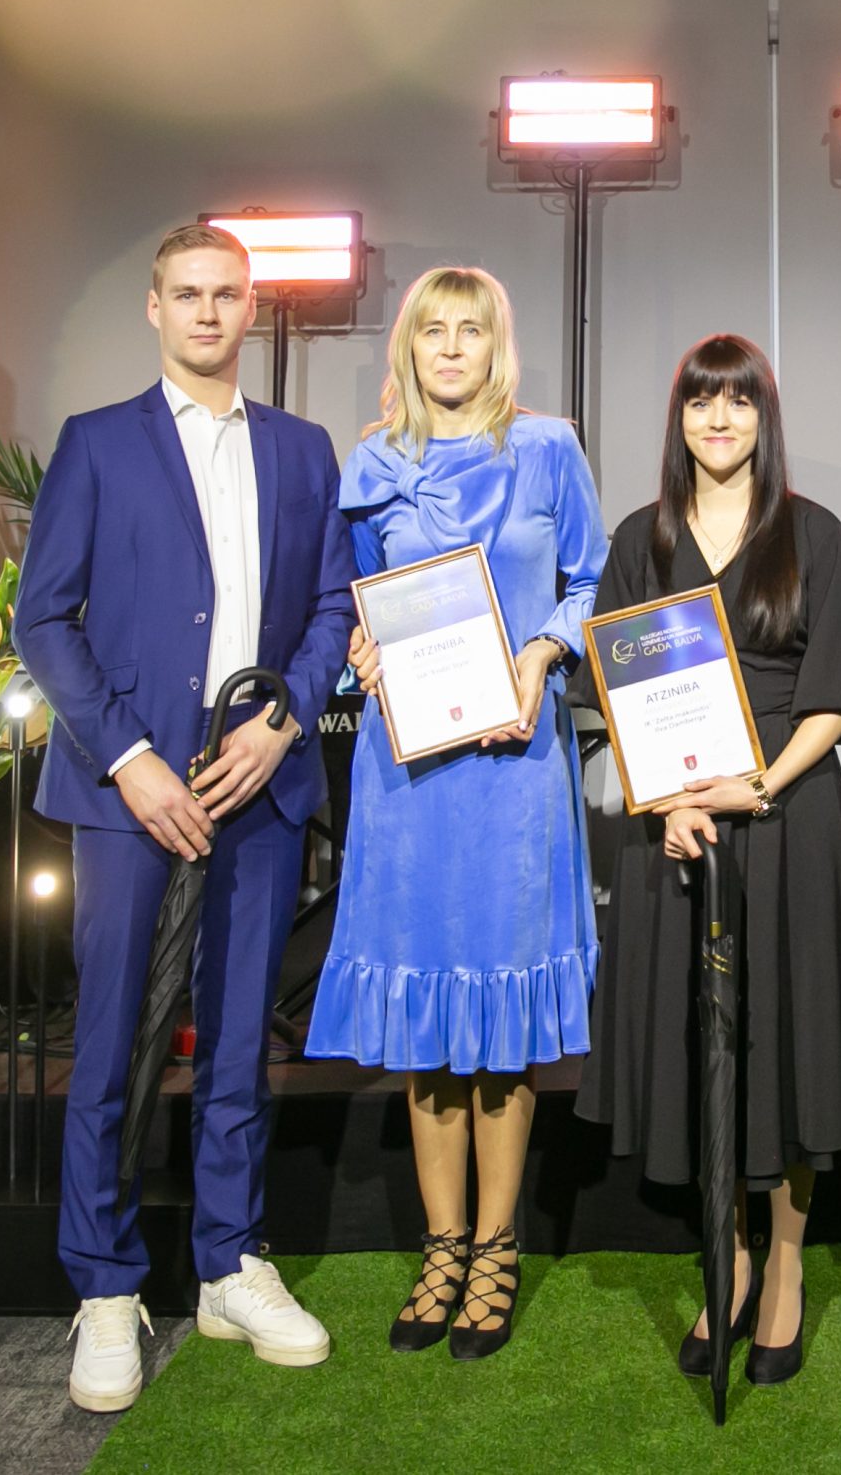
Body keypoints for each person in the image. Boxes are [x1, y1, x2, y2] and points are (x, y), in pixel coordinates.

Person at [18, 222, 356, 1411]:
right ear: (155, 308)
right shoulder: (97, 443)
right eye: (188, 293)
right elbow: (43, 619)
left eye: (228, 294)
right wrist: (130, 760)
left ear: (251, 310)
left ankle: (228, 1263)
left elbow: (332, 608)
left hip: (258, 786)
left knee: (238, 1039)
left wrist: (282, 724)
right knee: (112, 1038)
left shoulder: (304, 450)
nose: (209, 311)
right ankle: (106, 1285)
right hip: (132, 795)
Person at [576, 334, 841, 1388]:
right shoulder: (642, 539)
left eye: (739, 402)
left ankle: (787, 1266)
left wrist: (759, 783)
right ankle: (733, 1256)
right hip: (679, 830)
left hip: (789, 819)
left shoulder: (814, 533)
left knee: (786, 1043)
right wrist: (669, 799)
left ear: (765, 416)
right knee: (698, 1053)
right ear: (678, 419)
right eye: (700, 403)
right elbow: (615, 690)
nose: (719, 421)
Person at [306, 265, 605, 1361]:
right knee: (427, 1029)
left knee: (502, 1029)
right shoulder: (373, 462)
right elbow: (353, 603)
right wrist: (363, 649)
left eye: (468, 329)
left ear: (495, 345)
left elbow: (592, 582)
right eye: (430, 328)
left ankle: (496, 1247)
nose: (448, 346)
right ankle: (442, 1248)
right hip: (409, 776)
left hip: (515, 768)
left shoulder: (549, 448)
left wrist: (541, 652)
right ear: (409, 345)